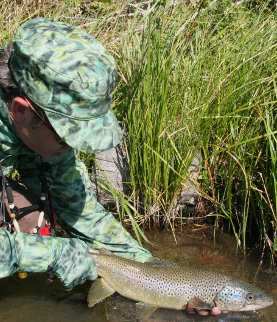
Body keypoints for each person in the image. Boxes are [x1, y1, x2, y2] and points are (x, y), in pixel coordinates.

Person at [0, 17, 152, 289]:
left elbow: (75, 205)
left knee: (34, 220)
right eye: (68, 135)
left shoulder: (33, 125)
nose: (73, 147)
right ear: (21, 111)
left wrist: (148, 269)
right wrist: (54, 254)